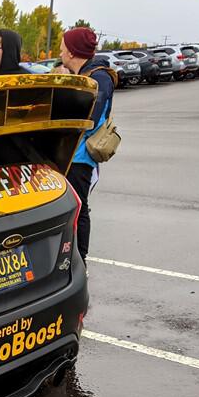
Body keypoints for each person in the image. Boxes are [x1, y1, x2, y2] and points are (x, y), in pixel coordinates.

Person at [59, 27, 116, 264]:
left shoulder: (98, 78)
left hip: (80, 157)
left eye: (63, 47)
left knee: (79, 209)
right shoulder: (82, 74)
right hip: (68, 154)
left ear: (72, 52)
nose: (60, 51)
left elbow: (91, 119)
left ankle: (80, 261)